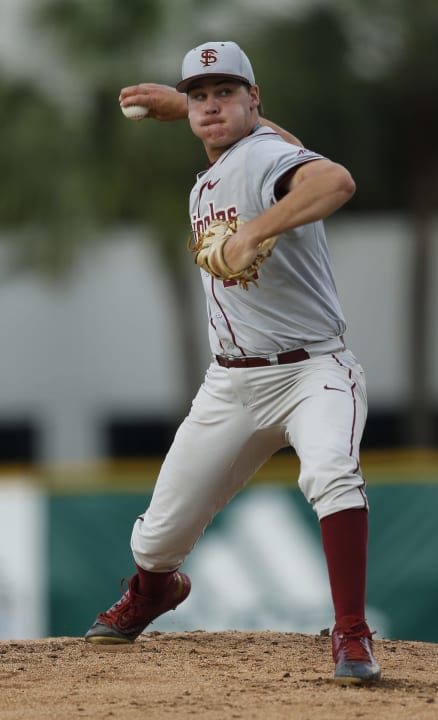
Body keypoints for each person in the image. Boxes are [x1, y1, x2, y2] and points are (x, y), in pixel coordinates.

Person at [85, 41, 381, 685]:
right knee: (155, 543)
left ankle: (352, 634)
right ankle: (155, 590)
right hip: (232, 383)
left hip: (313, 373)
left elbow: (335, 179)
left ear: (255, 100)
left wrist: (251, 232)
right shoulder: (227, 165)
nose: (211, 105)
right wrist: (182, 109)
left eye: (226, 92)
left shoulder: (263, 158)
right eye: (199, 95)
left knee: (332, 474)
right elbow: (280, 147)